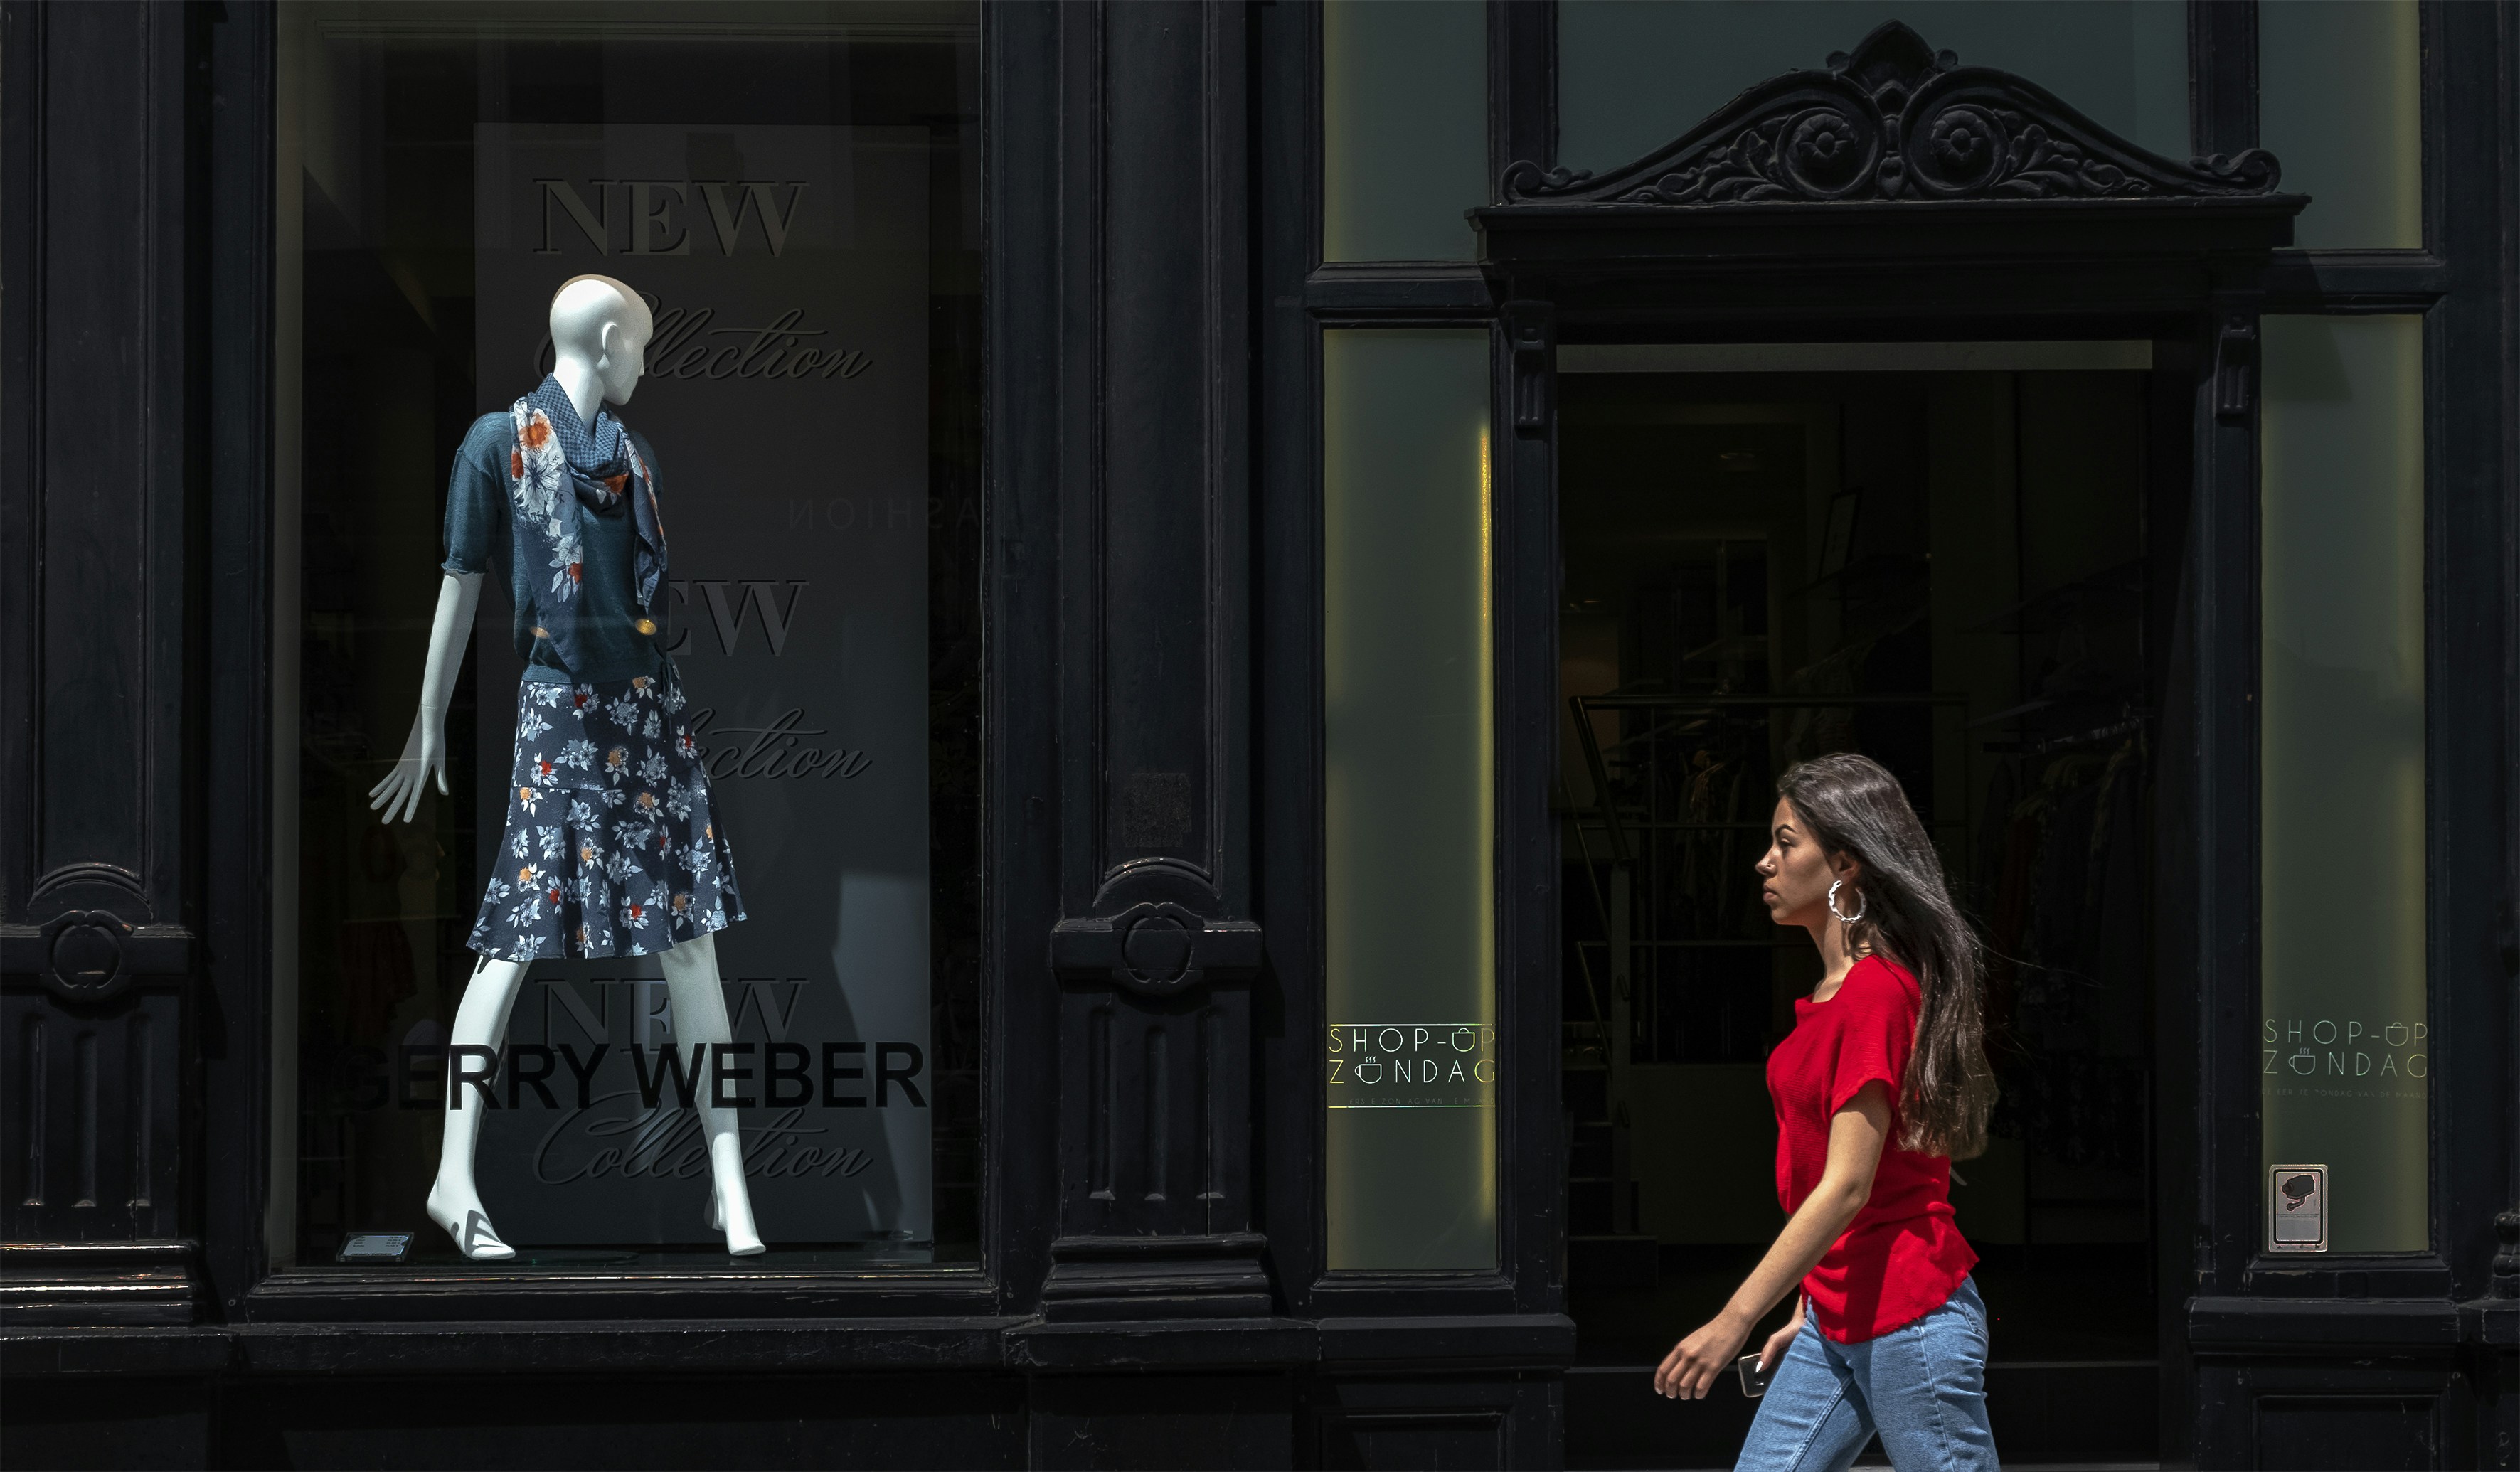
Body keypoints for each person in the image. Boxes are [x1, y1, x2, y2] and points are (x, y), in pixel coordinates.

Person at [1654, 753, 1999, 1471]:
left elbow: (1847, 1186)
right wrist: (1809, 1305)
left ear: (1844, 865)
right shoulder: (1835, 995)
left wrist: (1733, 1320)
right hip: (1837, 1313)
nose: (1763, 864)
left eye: (1785, 844)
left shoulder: (1875, 993)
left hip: (1909, 1314)